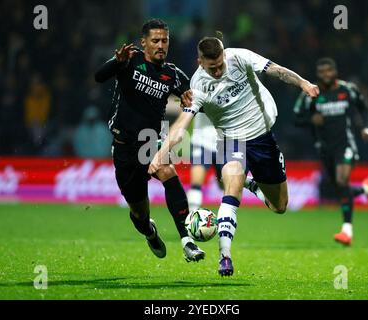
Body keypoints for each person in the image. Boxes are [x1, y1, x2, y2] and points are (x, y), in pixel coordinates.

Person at [149, 34, 319, 276]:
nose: (218, 71)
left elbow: (277, 70)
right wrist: (160, 154)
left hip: (262, 138)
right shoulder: (197, 86)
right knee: (231, 189)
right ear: (200, 62)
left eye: (220, 65)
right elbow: (179, 126)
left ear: (224, 54)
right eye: (212, 67)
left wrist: (303, 83)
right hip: (230, 141)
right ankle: (225, 256)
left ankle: (253, 184)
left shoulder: (240, 57)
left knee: (279, 206)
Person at [95, 19, 205, 262]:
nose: (160, 45)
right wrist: (117, 62)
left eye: (165, 40)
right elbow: (99, 76)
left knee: (167, 169)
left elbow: (197, 99)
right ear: (143, 42)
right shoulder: (130, 61)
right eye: (155, 40)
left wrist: (192, 100)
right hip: (123, 148)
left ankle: (187, 240)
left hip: (149, 143)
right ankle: (149, 231)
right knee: (139, 215)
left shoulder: (173, 75)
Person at [293, 57, 368, 246]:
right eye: (321, 72)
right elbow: (296, 118)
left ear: (335, 71)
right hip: (324, 148)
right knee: (339, 188)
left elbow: (365, 109)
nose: (325, 75)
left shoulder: (347, 90)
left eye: (328, 71)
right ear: (317, 74)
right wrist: (311, 119)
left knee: (341, 181)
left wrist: (366, 127)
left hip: (345, 144)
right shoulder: (311, 92)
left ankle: (347, 230)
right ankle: (365, 189)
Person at [187, 102, 270, 211]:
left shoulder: (233, 90)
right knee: (196, 182)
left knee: (224, 183)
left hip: (224, 140)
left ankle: (248, 182)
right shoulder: (198, 87)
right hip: (201, 140)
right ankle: (190, 223)